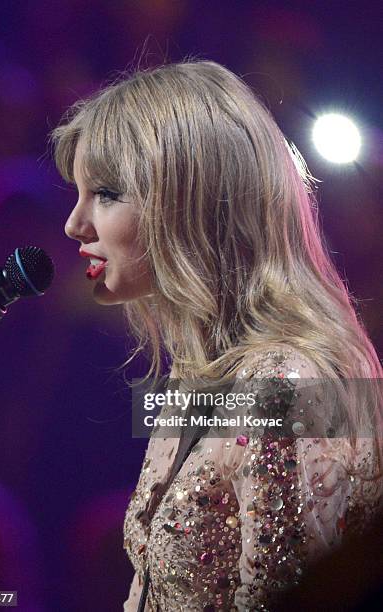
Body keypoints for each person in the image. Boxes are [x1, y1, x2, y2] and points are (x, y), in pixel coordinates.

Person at [50, 59, 383, 611]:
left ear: (186, 204)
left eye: (105, 193)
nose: (74, 224)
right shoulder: (198, 375)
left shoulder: (285, 385)